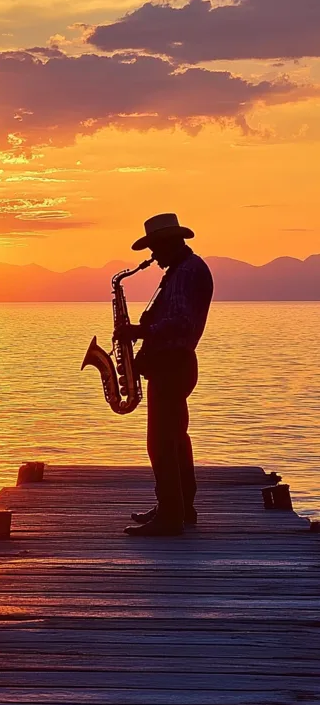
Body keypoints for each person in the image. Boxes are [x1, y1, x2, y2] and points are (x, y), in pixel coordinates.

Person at [120, 212, 213, 537]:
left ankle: (171, 515)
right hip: (174, 363)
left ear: (168, 243)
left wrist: (138, 331)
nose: (152, 257)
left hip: (172, 364)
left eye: (155, 248)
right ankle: (180, 507)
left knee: (160, 442)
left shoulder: (185, 273)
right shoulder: (182, 270)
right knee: (175, 439)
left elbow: (181, 322)